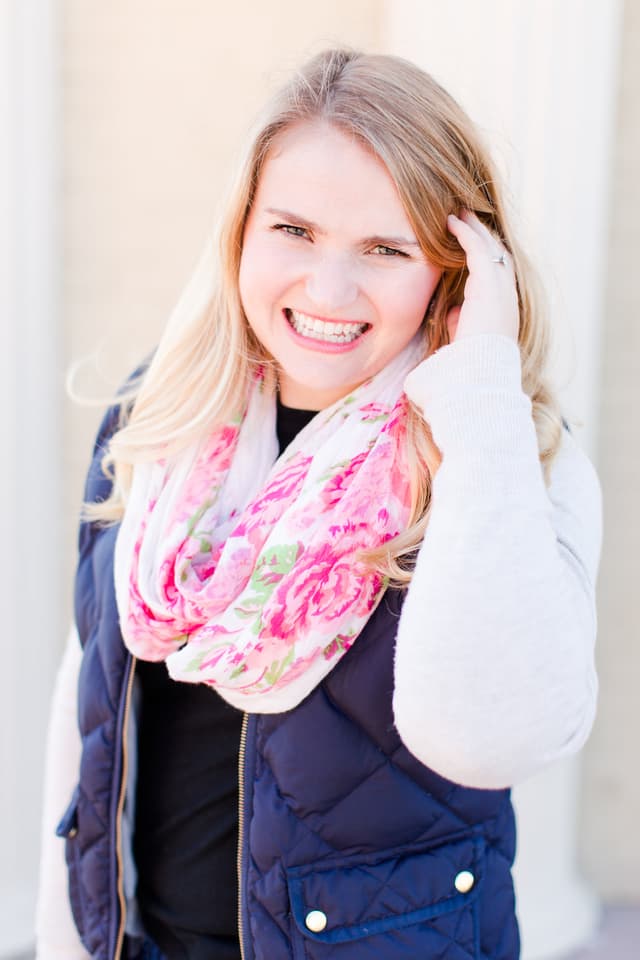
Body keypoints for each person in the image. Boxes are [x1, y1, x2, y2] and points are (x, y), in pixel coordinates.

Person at [36, 48, 602, 960]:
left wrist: (483, 400)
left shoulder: (512, 455)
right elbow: (89, 713)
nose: (328, 293)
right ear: (242, 231)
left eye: (385, 248)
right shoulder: (158, 418)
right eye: (293, 230)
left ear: (456, 271)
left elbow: (491, 737)